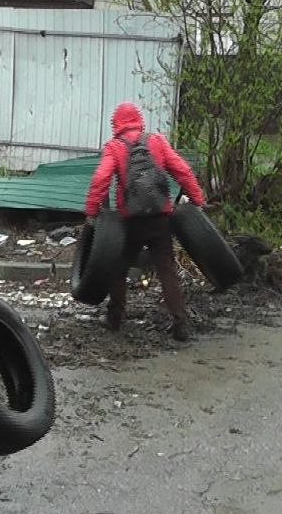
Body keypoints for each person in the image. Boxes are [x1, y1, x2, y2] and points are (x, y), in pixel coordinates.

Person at [84, 102, 207, 342]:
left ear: (115, 124)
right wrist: (197, 198)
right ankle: (181, 323)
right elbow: (181, 169)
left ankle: (115, 318)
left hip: (132, 220)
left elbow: (101, 178)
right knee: (166, 270)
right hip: (160, 217)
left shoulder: (115, 147)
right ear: (139, 120)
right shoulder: (156, 141)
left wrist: (91, 211)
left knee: (119, 267)